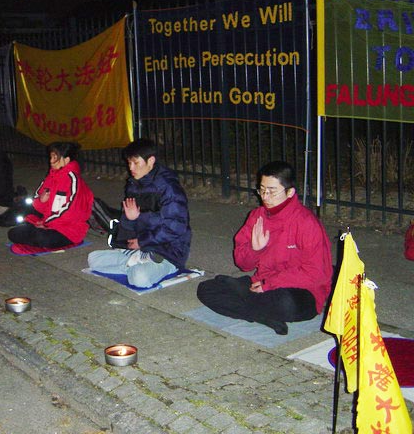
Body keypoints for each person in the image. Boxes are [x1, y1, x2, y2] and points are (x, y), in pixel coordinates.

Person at [196, 161, 333, 335]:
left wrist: (270, 284)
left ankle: (248, 300)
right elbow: (242, 264)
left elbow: (316, 273)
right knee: (206, 290)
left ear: (290, 192)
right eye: (262, 190)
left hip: (299, 291)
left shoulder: (306, 223)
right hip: (261, 285)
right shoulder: (257, 217)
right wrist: (255, 250)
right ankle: (264, 316)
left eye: (272, 191)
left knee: (284, 303)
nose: (265, 197)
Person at [87, 138, 191, 288]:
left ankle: (147, 264)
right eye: (129, 163)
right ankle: (137, 260)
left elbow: (175, 228)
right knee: (93, 259)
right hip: (141, 247)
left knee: (139, 278)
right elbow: (129, 221)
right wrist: (128, 236)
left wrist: (142, 236)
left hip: (168, 251)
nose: (131, 168)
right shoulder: (133, 185)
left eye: (136, 163)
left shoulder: (170, 189)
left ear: (151, 161)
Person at [8, 142, 93, 249]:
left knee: (42, 238)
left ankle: (38, 235)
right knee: (13, 233)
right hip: (49, 223)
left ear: (66, 160)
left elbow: (70, 213)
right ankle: (36, 233)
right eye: (51, 157)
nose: (51, 161)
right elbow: (37, 202)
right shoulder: (51, 176)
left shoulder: (73, 180)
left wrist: (46, 224)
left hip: (68, 229)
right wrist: (41, 200)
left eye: (55, 158)